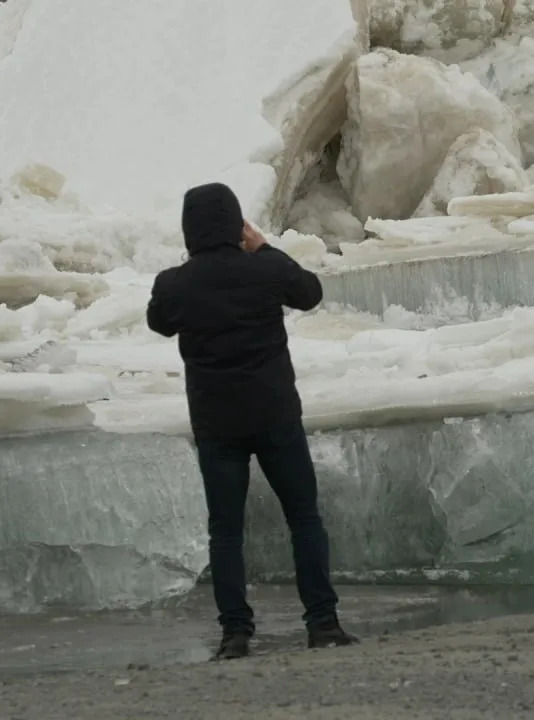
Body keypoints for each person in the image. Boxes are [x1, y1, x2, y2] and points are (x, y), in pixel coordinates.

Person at [146, 182, 357, 659]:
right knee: (303, 518)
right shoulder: (264, 269)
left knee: (226, 531)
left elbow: (158, 322)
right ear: (236, 223)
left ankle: (235, 634)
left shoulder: (175, 284)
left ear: (189, 229)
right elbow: (309, 293)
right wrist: (265, 249)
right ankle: (322, 623)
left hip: (217, 426)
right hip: (276, 415)